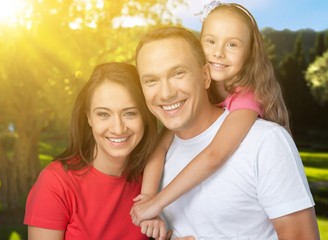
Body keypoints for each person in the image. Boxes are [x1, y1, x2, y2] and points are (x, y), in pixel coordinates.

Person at [133, 24, 320, 239]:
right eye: (151, 80)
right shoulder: (156, 159)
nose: (165, 93)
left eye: (178, 73)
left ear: (205, 76)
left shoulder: (265, 141)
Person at [24, 62, 167, 240]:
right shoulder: (55, 183)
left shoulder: (152, 178)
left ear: (145, 116)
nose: (118, 128)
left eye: (129, 113)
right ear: (89, 117)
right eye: (103, 114)